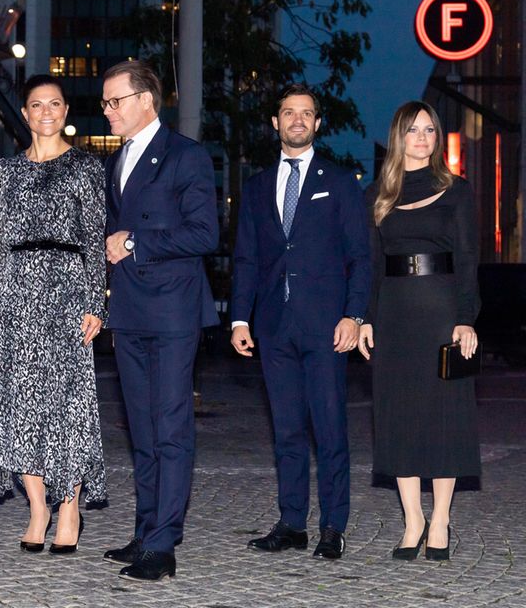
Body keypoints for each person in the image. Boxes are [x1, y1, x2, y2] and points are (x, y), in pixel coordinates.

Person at [230, 83, 370, 560]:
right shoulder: (255, 186)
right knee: (286, 430)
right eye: (288, 112)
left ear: (317, 123)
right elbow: (245, 258)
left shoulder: (340, 182)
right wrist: (238, 320)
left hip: (327, 326)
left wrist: (354, 315)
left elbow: (360, 257)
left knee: (329, 428)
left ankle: (333, 525)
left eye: (306, 114)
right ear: (275, 122)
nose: (297, 121)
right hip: (273, 326)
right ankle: (292, 523)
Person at [0, 74, 107, 556]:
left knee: (67, 406)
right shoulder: (6, 171)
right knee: (21, 405)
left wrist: (97, 300)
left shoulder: (86, 169)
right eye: (37, 104)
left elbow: (95, 238)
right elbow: (0, 238)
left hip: (68, 291)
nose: (47, 111)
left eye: (55, 103)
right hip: (17, 295)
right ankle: (38, 508)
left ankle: (69, 505)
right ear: (26, 114)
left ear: (66, 111)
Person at [101, 60, 219, 581]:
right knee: (142, 429)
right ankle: (145, 530)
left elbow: (204, 234)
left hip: (172, 310)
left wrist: (136, 241)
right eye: (105, 102)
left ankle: (164, 544)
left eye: (115, 100)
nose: (107, 110)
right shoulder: (118, 159)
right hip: (128, 311)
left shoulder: (186, 156)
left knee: (170, 428)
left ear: (146, 99)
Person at [358, 101, 480, 562]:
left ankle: (442, 519)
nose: (423, 137)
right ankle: (412, 520)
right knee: (398, 416)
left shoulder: (458, 192)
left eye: (430, 129)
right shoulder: (375, 195)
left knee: (446, 415)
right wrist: (366, 317)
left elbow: (469, 260)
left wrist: (466, 317)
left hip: (443, 311)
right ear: (398, 138)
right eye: (413, 130)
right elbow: (369, 265)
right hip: (394, 314)